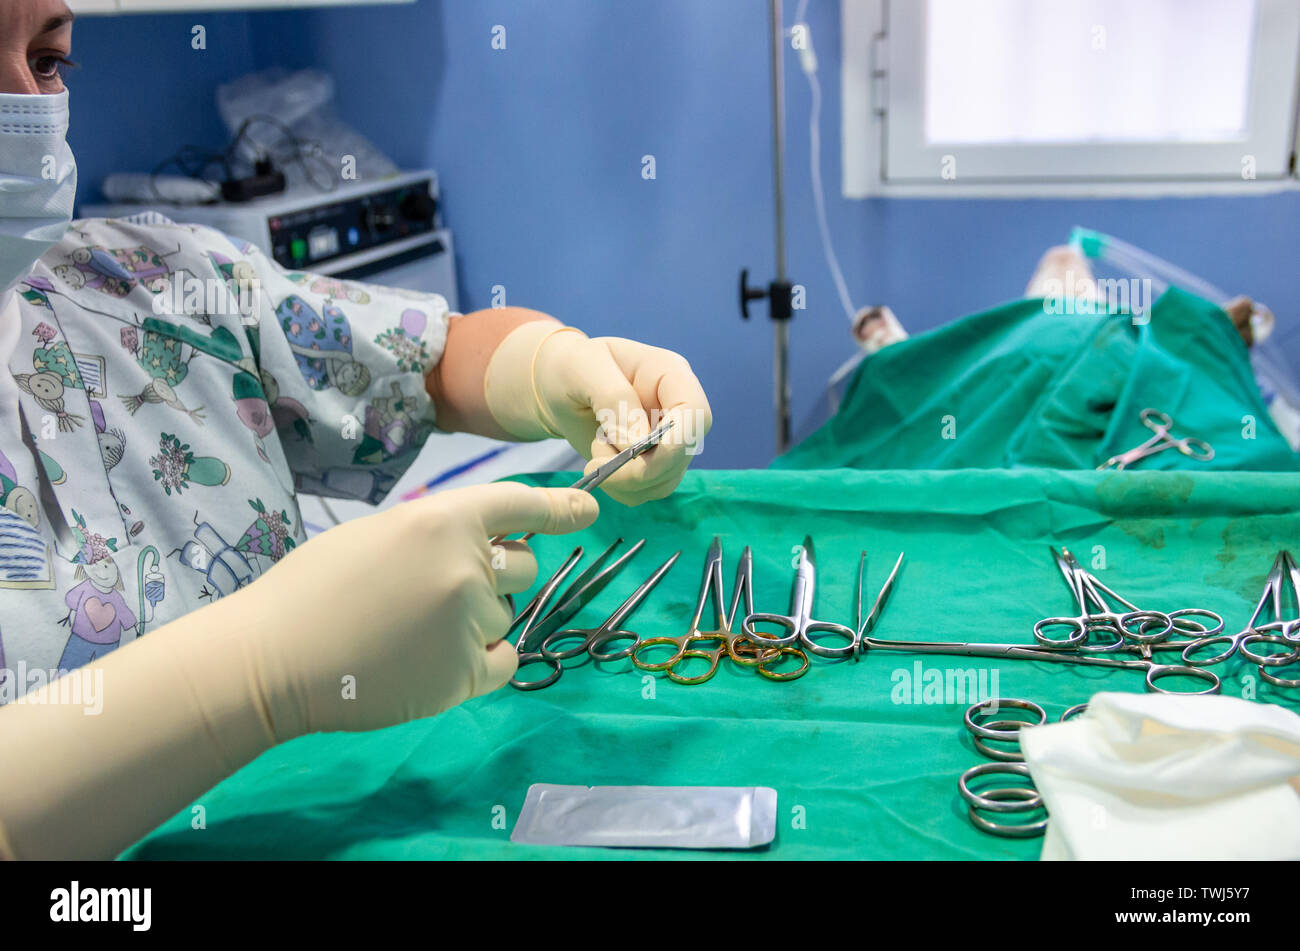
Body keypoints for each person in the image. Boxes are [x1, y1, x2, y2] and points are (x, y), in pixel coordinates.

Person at [0, 0, 712, 859]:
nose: (23, 103)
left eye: (46, 62)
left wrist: (559, 369)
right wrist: (262, 677)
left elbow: (429, 363)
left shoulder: (148, 280)